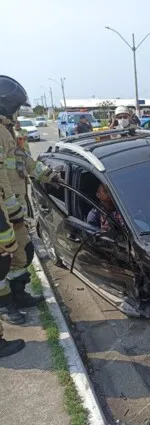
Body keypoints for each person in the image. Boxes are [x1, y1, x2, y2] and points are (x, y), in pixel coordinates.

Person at [0, 75, 62, 333]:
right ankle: (5, 305)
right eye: (15, 107)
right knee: (4, 261)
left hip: (16, 212)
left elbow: (24, 161)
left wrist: (48, 175)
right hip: (5, 214)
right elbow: (1, 180)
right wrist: (12, 212)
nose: (17, 112)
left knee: (22, 255)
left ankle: (19, 293)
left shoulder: (9, 131)